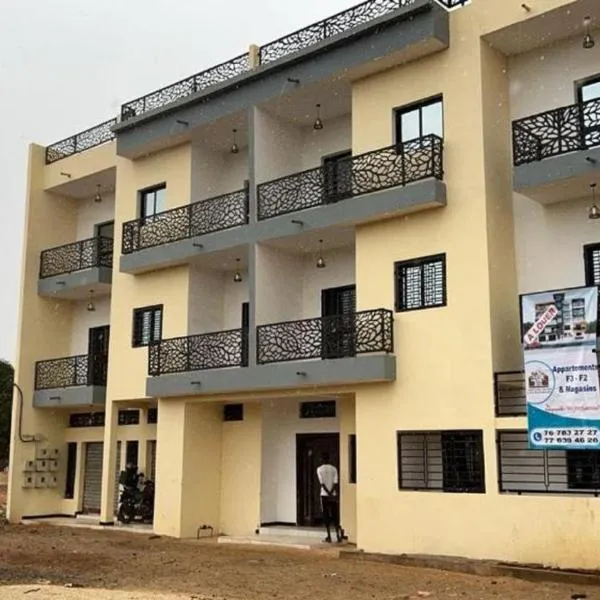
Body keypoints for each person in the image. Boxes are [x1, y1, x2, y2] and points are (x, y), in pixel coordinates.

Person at [316, 452, 343, 543]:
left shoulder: (319, 469)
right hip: (333, 495)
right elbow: (335, 482)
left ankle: (329, 536)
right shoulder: (334, 469)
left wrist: (327, 492)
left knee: (326, 515)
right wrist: (331, 492)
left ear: (321, 459)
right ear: (329, 458)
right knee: (335, 515)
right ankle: (338, 535)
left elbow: (322, 483)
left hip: (324, 495)